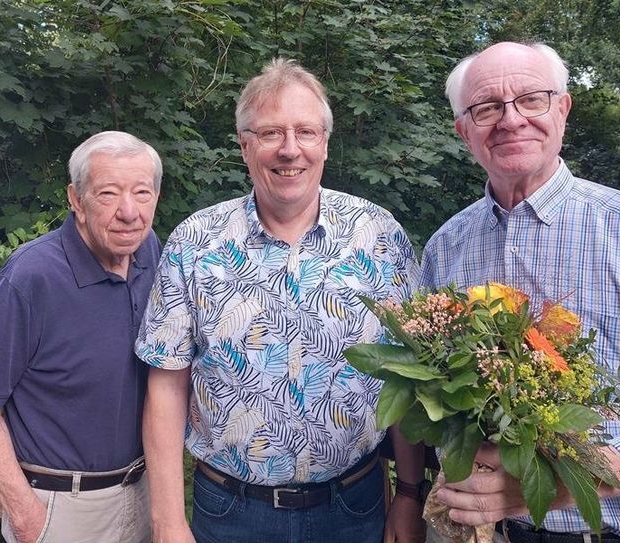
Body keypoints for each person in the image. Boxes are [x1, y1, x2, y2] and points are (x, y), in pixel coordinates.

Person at [420, 41, 620, 543]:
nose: (510, 120)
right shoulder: (446, 248)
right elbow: (434, 400)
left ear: (563, 109)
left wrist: (550, 484)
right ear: (465, 131)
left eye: (532, 99)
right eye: (486, 108)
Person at [136, 58, 427, 543]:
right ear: (245, 146)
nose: (290, 150)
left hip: (354, 508)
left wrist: (411, 494)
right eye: (271, 133)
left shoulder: (380, 236)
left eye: (306, 132)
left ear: (325, 145)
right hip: (231, 512)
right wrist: (168, 521)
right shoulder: (195, 242)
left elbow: (407, 371)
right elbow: (166, 387)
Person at [0, 131, 163, 543]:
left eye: (142, 192)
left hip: (139, 492)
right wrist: (26, 514)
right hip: (59, 507)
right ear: (76, 199)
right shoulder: (30, 278)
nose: (129, 211)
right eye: (108, 193)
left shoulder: (149, 251)